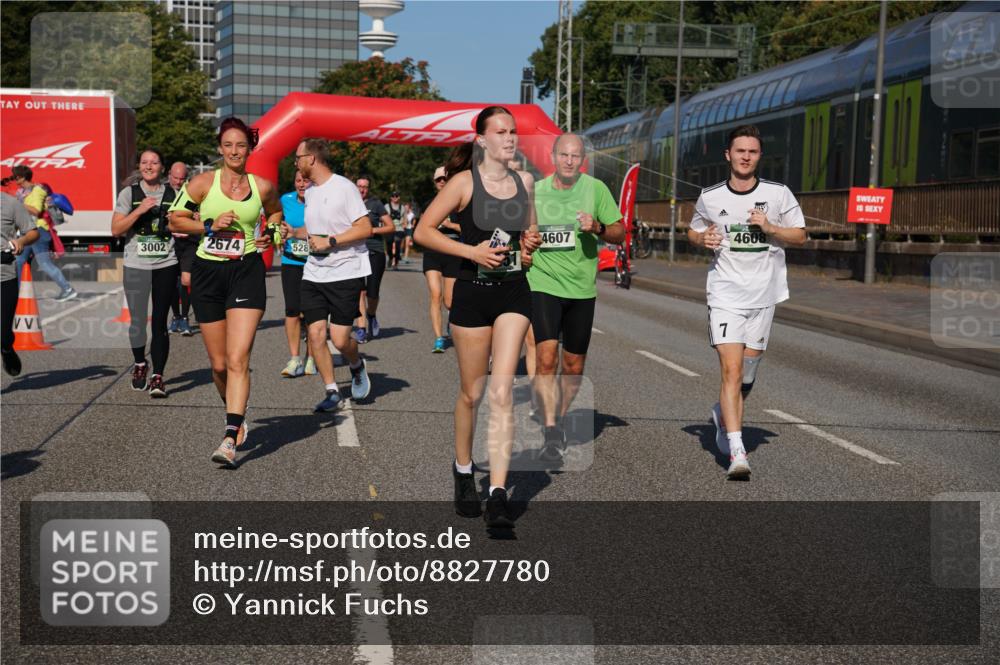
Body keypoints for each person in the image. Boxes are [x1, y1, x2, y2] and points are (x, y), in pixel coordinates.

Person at [414, 106, 541, 529]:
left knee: (503, 392)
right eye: (500, 132)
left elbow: (528, 240)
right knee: (473, 393)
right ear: (482, 140)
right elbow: (423, 232)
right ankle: (464, 470)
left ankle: (499, 494)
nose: (509, 138)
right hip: (470, 294)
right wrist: (472, 252)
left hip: (513, 293)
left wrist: (530, 246)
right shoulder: (463, 183)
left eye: (513, 131)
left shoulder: (525, 182)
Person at [687, 124, 806, 479]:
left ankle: (723, 414)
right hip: (724, 292)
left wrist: (770, 228)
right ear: (728, 155)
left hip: (764, 294)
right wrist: (702, 239)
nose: (745, 157)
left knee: (747, 376)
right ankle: (737, 452)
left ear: (759, 157)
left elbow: (799, 235)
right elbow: (693, 229)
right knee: (732, 370)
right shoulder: (710, 196)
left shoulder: (778, 194)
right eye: (740, 151)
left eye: (752, 152)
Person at [168, 117, 281, 467]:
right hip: (208, 274)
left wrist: (272, 236)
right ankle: (236, 411)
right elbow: (175, 219)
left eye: (241, 145)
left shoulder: (261, 186)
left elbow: (275, 215)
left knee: (238, 358)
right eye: (228, 145)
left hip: (246, 271)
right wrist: (207, 225)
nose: (235, 151)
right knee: (218, 365)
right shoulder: (202, 183)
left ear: (250, 148)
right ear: (220, 148)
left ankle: (230, 437)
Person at [528, 133, 625, 460]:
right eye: (563, 155)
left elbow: (619, 232)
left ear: (581, 160)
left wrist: (597, 227)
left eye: (575, 156)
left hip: (581, 288)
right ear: (553, 158)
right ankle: (552, 430)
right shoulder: (535, 193)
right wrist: (525, 245)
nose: (569, 161)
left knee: (573, 365)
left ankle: (560, 413)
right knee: (545, 357)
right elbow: (516, 234)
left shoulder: (595, 190)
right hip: (542, 281)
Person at [284, 138, 372, 412]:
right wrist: (294, 232)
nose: (295, 162)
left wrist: (331, 242)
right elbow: (314, 234)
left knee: (341, 339)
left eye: (298, 157)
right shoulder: (309, 192)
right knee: (316, 334)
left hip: (346, 272)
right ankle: (331, 390)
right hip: (314, 273)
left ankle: (356, 366)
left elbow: (365, 228)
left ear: (311, 158)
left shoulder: (344, 188)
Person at [111, 149, 181, 397]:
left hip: (166, 263)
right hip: (135, 265)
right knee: (138, 322)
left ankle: (158, 377)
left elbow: (185, 223)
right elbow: (116, 229)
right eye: (144, 162)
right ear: (139, 166)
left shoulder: (174, 194)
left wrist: (183, 222)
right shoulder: (129, 193)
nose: (149, 166)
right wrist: (139, 211)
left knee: (160, 322)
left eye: (154, 162)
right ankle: (140, 364)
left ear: (163, 167)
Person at [11, 165, 77, 302]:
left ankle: (67, 289)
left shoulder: (37, 190)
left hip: (38, 232)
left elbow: (36, 211)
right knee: (19, 261)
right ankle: (17, 295)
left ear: (23, 177)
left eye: (16, 176)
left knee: (44, 264)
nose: (14, 179)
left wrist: (18, 203)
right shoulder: (22, 192)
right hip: (26, 232)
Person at [419, 166, 461, 353]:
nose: (442, 182)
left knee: (450, 302)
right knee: (436, 295)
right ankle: (438, 338)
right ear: (434, 182)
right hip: (433, 252)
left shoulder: (460, 203)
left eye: (445, 178)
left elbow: (467, 229)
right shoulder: (428, 203)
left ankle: (451, 325)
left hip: (453, 252)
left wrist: (449, 224)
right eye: (439, 179)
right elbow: (420, 230)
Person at [278, 169, 315, 377]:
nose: (301, 184)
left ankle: (311, 357)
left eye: (306, 180)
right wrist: (279, 234)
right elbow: (276, 222)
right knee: (292, 309)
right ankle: (295, 359)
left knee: (311, 312)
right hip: (291, 261)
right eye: (298, 180)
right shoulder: (286, 200)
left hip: (315, 264)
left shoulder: (320, 201)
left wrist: (297, 232)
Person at [1, 192, 40, 377]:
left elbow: (33, 232)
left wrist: (21, 241)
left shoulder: (11, 203)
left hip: (4, 276)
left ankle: (6, 348)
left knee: (3, 334)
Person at [355, 176, 394, 342]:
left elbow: (390, 226)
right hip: (355, 252)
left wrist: (372, 231)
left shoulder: (375, 204)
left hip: (374, 252)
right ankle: (361, 327)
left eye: (365, 187)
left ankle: (371, 315)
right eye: (359, 186)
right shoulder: (348, 203)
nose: (362, 189)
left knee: (372, 292)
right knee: (359, 291)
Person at [167, 161, 196, 336]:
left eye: (182, 178)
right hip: (170, 242)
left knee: (186, 280)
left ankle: (185, 318)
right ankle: (176, 316)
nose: (178, 182)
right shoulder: (163, 192)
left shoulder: (192, 191)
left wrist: (197, 215)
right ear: (169, 175)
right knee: (171, 282)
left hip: (189, 242)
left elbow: (204, 210)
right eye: (175, 178)